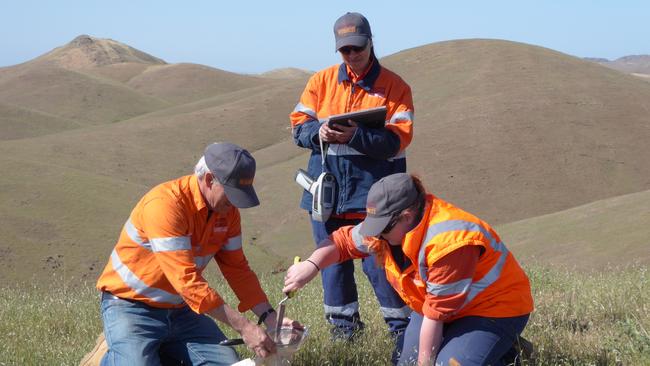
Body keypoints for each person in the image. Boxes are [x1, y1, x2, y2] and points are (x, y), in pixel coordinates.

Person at [284, 173, 534, 366]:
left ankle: (505, 350)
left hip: (493, 309)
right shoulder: (386, 228)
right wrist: (311, 265)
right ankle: (491, 347)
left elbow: (436, 315)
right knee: (406, 361)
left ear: (406, 215)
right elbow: (343, 242)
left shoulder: (448, 243)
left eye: (383, 226)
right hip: (436, 309)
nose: (376, 234)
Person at [96, 142, 301, 366]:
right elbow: (186, 282)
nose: (235, 203)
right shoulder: (165, 205)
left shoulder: (227, 213)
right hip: (130, 306)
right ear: (210, 179)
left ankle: (152, 351)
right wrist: (244, 327)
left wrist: (271, 320)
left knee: (226, 363)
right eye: (232, 193)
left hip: (180, 310)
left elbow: (238, 270)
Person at [289, 11, 415, 358]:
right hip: (326, 195)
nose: (352, 56)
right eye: (345, 51)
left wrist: (357, 135)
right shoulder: (320, 82)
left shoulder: (395, 86)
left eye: (357, 48)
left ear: (370, 42)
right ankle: (344, 337)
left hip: (373, 195)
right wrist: (319, 132)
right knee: (332, 265)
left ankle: (402, 334)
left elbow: (398, 141)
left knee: (381, 266)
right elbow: (298, 128)